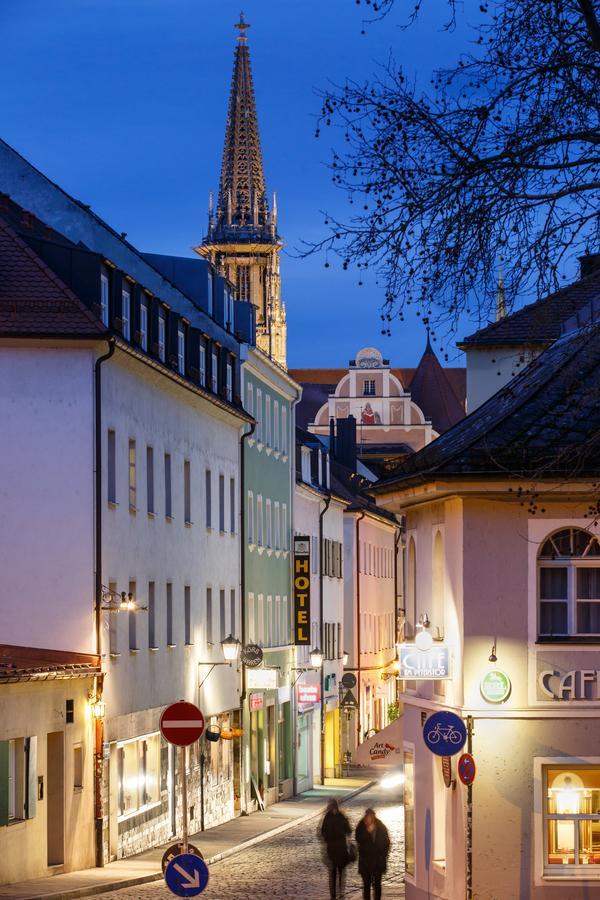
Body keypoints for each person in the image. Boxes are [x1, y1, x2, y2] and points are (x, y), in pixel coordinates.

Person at [355, 808, 391, 900]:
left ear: (374, 816)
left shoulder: (380, 825)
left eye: (371, 816)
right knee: (366, 885)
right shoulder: (361, 825)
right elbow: (358, 838)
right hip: (365, 861)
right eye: (368, 816)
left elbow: (387, 842)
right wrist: (368, 832)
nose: (369, 818)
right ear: (365, 817)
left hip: (377, 861)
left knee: (377, 885)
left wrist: (383, 854)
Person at [321, 797, 352, 899]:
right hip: (332, 848)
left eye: (330, 805)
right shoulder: (328, 817)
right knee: (333, 871)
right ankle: (333, 894)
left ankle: (341, 892)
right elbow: (323, 830)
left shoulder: (341, 816)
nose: (328, 806)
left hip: (341, 848)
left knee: (341, 871)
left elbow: (348, 830)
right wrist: (327, 838)